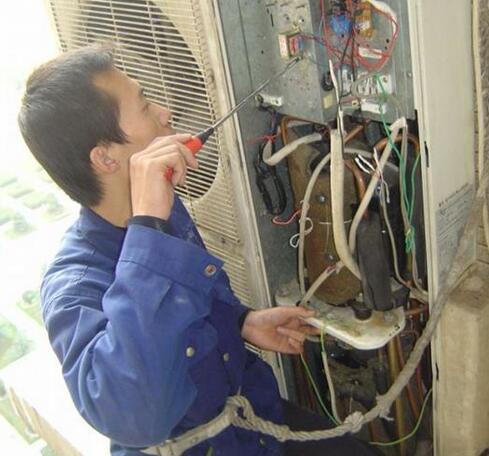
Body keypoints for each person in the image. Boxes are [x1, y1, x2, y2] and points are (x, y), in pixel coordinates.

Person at [18, 45, 381, 456]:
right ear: (105, 158)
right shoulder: (72, 287)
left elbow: (192, 307)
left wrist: (241, 322)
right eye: (145, 106)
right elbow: (137, 416)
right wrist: (148, 231)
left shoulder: (167, 213)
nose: (165, 113)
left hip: (252, 425)